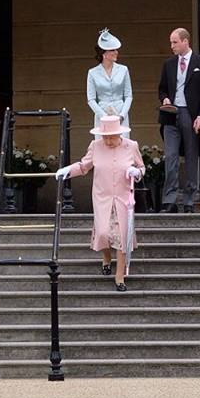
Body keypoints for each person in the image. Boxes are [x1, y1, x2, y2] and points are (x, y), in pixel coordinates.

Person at [55, 115, 144, 291]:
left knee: (122, 236)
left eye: (112, 137)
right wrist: (67, 170)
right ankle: (106, 257)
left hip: (123, 198)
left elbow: (141, 168)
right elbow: (84, 166)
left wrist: (137, 172)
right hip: (102, 197)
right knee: (103, 233)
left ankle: (119, 277)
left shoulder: (131, 146)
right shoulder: (95, 146)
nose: (108, 141)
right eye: (105, 137)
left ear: (119, 134)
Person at [158, 27, 200, 213]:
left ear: (185, 41)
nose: (172, 46)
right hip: (171, 113)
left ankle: (190, 200)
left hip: (191, 114)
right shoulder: (168, 64)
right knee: (171, 157)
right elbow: (162, 88)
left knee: (191, 156)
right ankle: (169, 200)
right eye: (171, 42)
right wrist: (165, 98)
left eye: (175, 42)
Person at [87, 28, 133, 137]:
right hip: (102, 115)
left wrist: (122, 115)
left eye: (116, 49)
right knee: (103, 143)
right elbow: (91, 99)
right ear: (104, 53)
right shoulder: (92, 73)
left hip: (120, 114)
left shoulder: (123, 70)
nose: (116, 52)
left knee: (122, 143)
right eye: (112, 50)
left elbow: (128, 96)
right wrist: (104, 116)